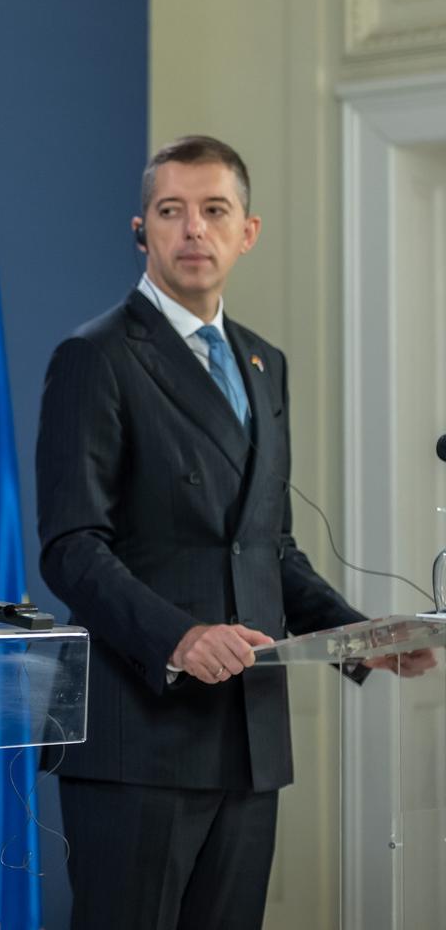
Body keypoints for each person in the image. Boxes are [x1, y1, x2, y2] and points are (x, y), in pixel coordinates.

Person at [36, 135, 432, 930]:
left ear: (247, 231)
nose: (194, 231)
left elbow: (267, 548)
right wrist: (179, 637)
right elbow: (72, 548)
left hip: (247, 737)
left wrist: (363, 637)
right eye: (171, 211)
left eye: (214, 211)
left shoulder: (263, 363)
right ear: (141, 229)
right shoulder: (96, 355)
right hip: (139, 736)